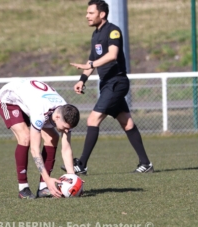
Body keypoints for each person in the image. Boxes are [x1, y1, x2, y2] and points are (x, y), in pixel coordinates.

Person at [62, 0, 153, 175]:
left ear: (101, 14)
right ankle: (146, 163)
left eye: (90, 13)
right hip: (107, 84)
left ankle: (81, 164)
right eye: (87, 13)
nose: (87, 16)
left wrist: (90, 64)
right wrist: (82, 79)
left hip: (116, 83)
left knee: (92, 120)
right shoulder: (95, 35)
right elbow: (91, 61)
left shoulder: (113, 31)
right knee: (127, 123)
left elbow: (112, 55)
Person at [0, 78, 81, 199]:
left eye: (69, 129)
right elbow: (35, 150)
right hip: (9, 99)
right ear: (56, 117)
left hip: (28, 100)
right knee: (25, 137)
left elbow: (66, 149)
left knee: (53, 137)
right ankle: (23, 188)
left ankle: (43, 188)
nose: (67, 131)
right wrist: (48, 177)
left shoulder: (66, 114)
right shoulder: (40, 112)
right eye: (65, 128)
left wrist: (72, 178)